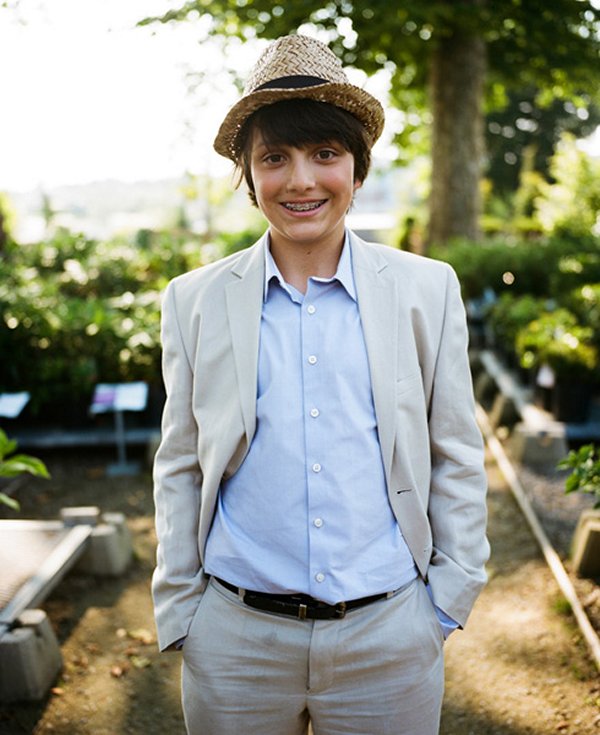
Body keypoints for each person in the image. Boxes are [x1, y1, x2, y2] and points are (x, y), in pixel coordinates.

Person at [152, 33, 489, 735]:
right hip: (235, 642)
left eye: (324, 154)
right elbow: (180, 463)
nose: (301, 180)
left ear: (357, 170)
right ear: (248, 177)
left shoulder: (428, 290)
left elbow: (455, 448)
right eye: (275, 157)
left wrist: (447, 600)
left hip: (390, 636)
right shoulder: (194, 301)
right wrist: (183, 609)